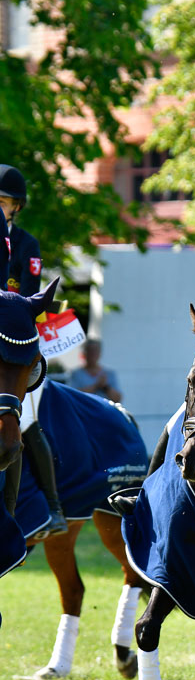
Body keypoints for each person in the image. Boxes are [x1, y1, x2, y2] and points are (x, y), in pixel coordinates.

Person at [0, 163, 67, 536]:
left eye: (4, 202)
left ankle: (52, 508)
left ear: (16, 207)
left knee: (26, 418)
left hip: (16, 341)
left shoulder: (26, 245)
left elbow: (27, 295)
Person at [70, 338, 122, 402]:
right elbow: (73, 396)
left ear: (100, 353)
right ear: (84, 353)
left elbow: (118, 399)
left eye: (95, 350)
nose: (93, 354)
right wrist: (96, 386)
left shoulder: (110, 373)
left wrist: (105, 387)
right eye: (90, 350)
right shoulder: (76, 373)